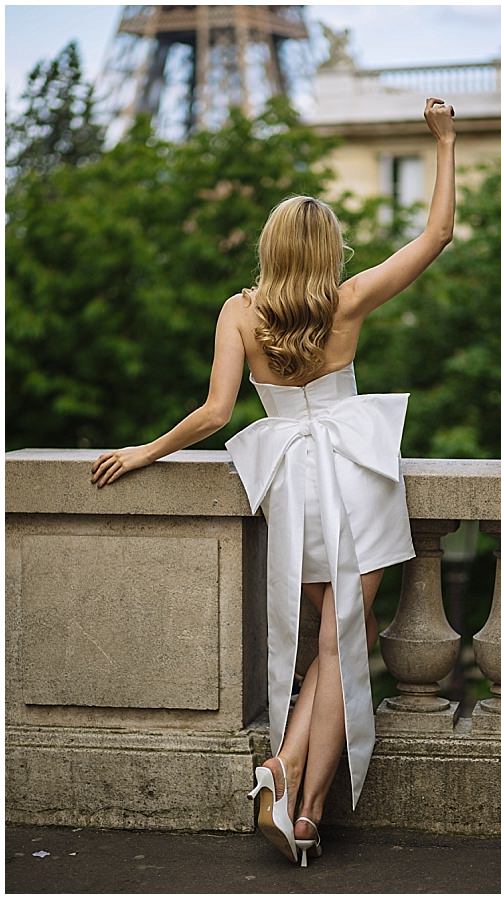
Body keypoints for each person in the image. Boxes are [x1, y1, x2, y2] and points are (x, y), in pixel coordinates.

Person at [90, 97, 458, 866]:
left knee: (328, 643)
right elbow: (437, 235)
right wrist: (445, 142)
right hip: (356, 474)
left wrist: (145, 450)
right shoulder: (347, 301)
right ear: (328, 249)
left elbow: (215, 412)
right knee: (340, 644)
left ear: (269, 246)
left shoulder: (240, 311)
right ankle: (294, 782)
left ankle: (298, 798)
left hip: (292, 480)